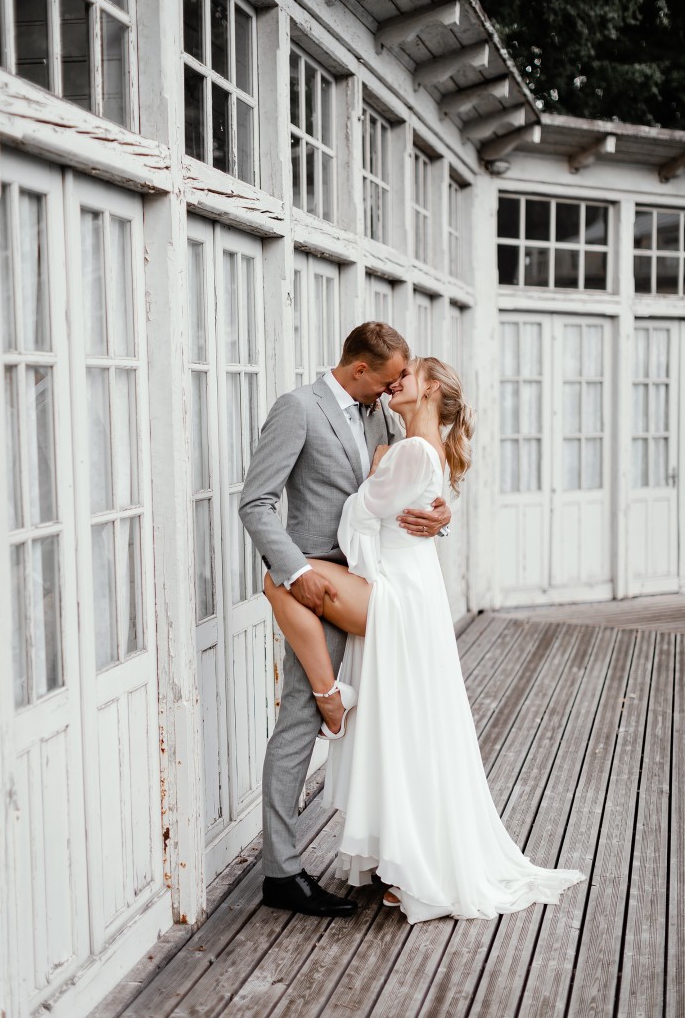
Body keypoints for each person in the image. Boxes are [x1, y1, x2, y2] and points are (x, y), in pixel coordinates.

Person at [263, 355, 588, 924]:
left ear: (431, 388)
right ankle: (405, 858)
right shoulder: (404, 439)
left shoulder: (408, 447)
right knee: (409, 731)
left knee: (278, 579)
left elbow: (358, 517)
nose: (395, 384)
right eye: (391, 377)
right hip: (412, 589)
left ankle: (330, 697)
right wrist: (402, 488)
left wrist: (382, 479)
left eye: (406, 376)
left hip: (394, 592)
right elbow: (407, 500)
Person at [239, 322, 451, 918]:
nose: (391, 391)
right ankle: (282, 873)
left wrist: (441, 518)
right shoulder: (298, 409)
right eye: (386, 380)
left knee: (388, 723)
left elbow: (407, 485)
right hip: (320, 588)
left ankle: (394, 856)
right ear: (360, 369)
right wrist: (293, 572)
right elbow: (256, 502)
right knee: (299, 721)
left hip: (375, 584)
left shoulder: (381, 416)